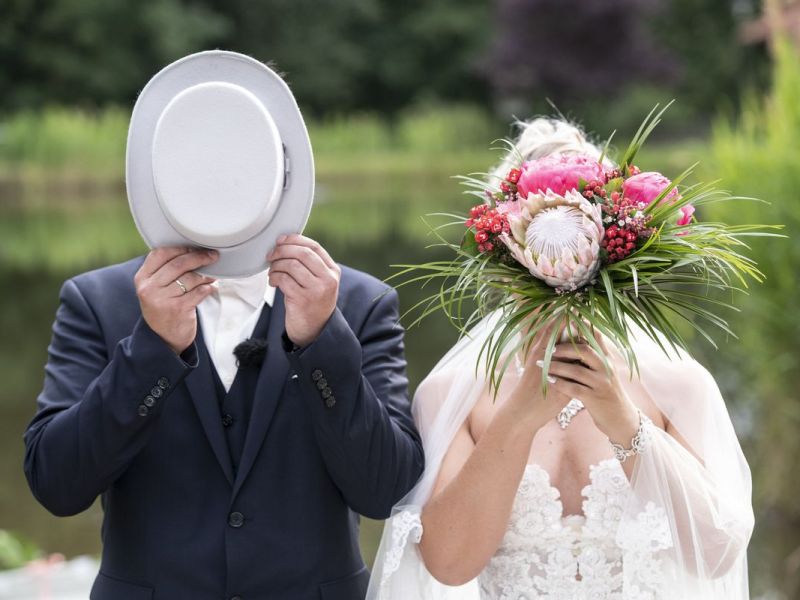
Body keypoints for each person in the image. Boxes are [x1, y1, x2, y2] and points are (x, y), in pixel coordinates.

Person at [368, 119, 754, 599]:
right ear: (504, 261)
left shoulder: (675, 384)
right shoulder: (453, 394)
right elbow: (449, 566)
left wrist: (624, 422)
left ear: (613, 256)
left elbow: (714, 557)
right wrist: (516, 420)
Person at [24, 236, 424, 600]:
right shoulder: (97, 299)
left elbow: (387, 493)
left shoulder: (359, 300)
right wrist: (153, 348)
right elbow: (58, 485)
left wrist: (322, 339)